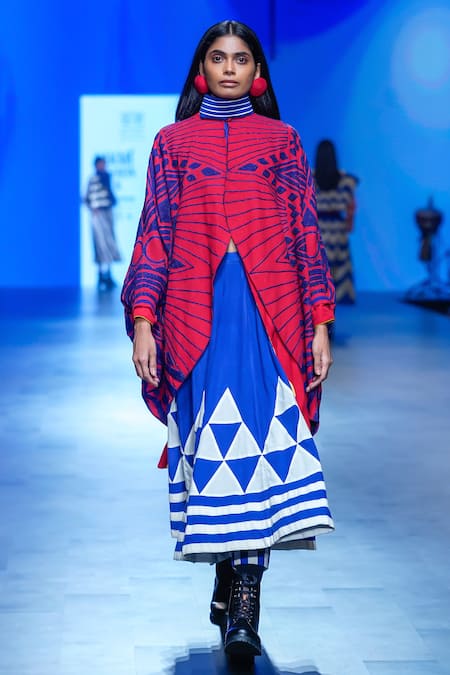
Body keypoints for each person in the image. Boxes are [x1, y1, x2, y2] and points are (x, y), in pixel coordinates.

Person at [121, 20, 335, 659]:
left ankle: (245, 598)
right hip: (196, 314)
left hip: (271, 315)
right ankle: (227, 570)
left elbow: (304, 233)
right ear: (202, 69)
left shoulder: (281, 141)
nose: (231, 68)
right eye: (219, 58)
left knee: (262, 442)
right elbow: (155, 233)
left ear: (257, 71)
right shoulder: (172, 143)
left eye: (242, 58)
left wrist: (320, 323)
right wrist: (144, 321)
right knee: (215, 444)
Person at [313, 139, 359, 304]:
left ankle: (319, 302)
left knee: (317, 269)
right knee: (338, 268)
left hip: (317, 228)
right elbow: (351, 207)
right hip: (338, 229)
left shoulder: (309, 178)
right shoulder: (346, 180)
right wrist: (349, 224)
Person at [85, 156, 121, 290]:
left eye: (104, 164)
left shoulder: (107, 177)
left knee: (109, 242)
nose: (103, 166)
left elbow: (110, 196)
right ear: (96, 165)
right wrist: (93, 208)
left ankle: (108, 274)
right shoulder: (93, 179)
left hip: (107, 213)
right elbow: (87, 197)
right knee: (100, 243)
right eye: (101, 164)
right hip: (98, 215)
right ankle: (101, 275)